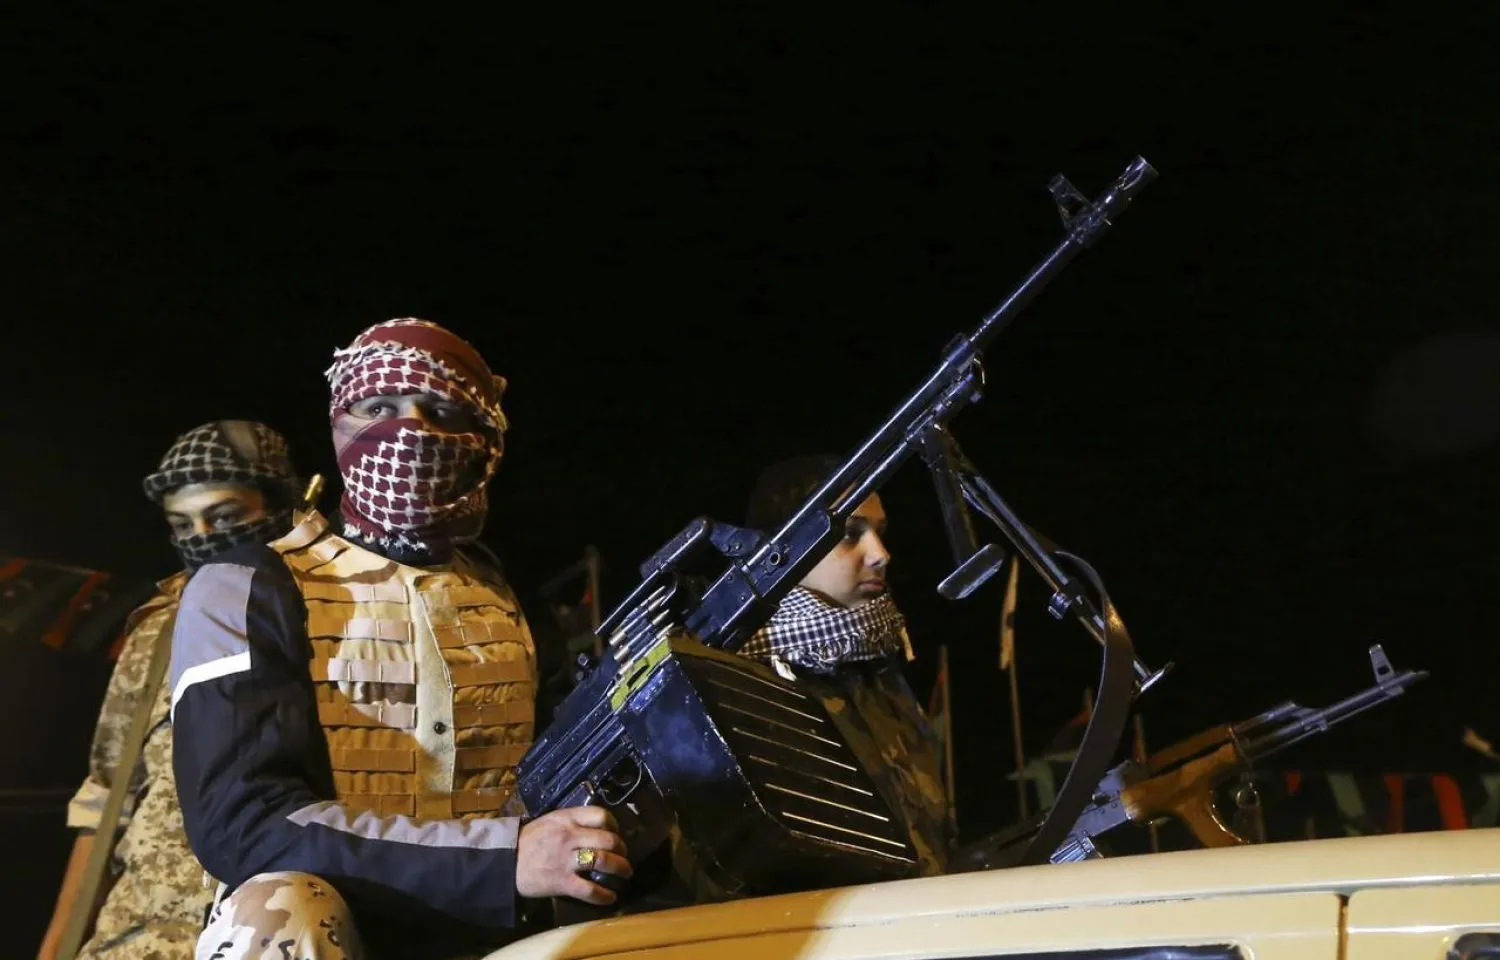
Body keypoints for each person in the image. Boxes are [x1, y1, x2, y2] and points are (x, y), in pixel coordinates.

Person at [167, 319, 629, 960]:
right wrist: (497, 862)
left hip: (505, 926)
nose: (409, 431)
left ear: (483, 439)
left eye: (440, 410)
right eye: (378, 407)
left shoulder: (510, 595)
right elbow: (243, 825)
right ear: (338, 425)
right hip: (349, 924)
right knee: (275, 908)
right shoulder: (244, 584)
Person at [37, 421, 307, 960]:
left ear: (279, 505)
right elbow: (106, 801)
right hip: (133, 940)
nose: (203, 538)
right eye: (183, 525)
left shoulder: (335, 613)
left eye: (227, 517)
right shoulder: (160, 628)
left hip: (270, 935)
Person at [736, 454, 953, 873]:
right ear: (782, 550)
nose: (881, 554)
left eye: (880, 533)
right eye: (850, 535)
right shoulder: (744, 681)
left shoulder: (875, 666)